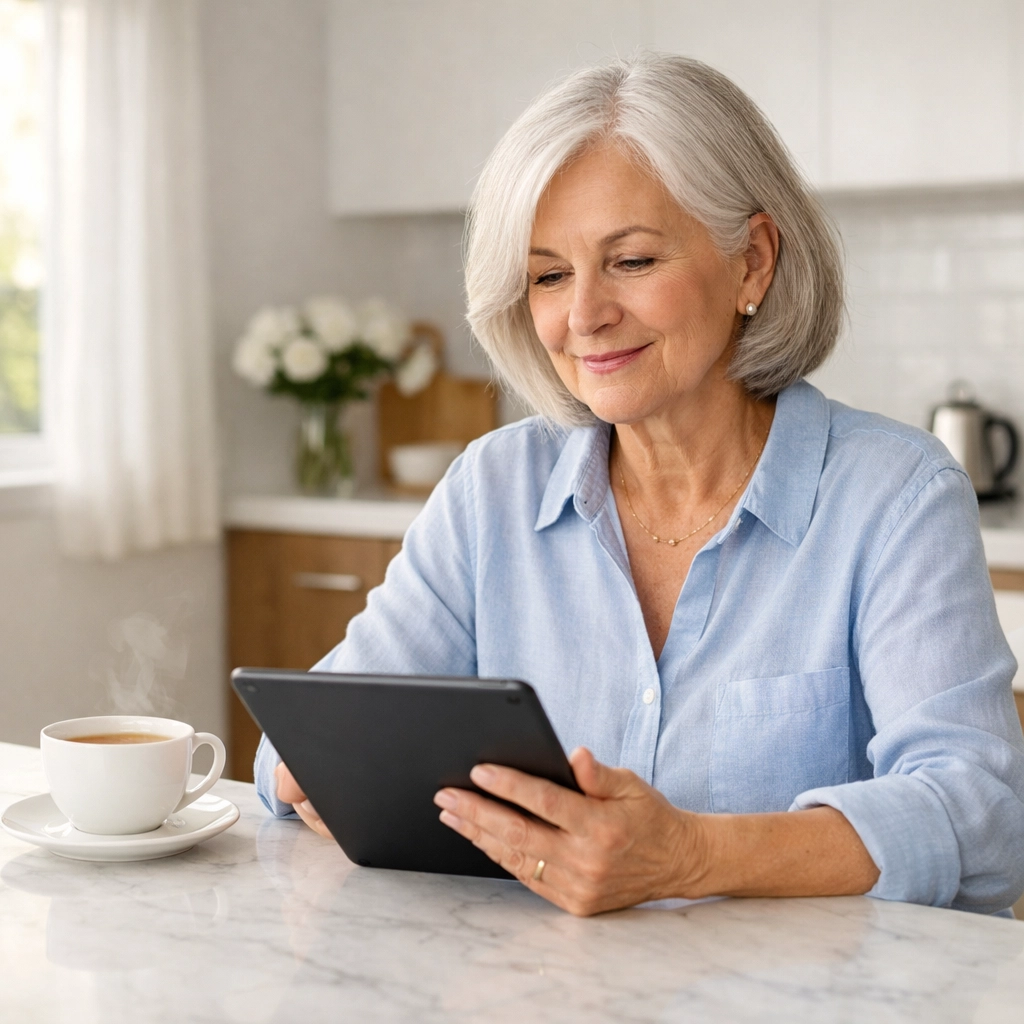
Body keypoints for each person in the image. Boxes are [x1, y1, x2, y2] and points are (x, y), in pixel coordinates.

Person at [257, 53, 1024, 917]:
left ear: (752, 263)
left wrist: (691, 854)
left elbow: (982, 820)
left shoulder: (896, 496)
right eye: (548, 275)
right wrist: (317, 774)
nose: (583, 315)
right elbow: (303, 735)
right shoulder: (492, 489)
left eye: (631, 260)